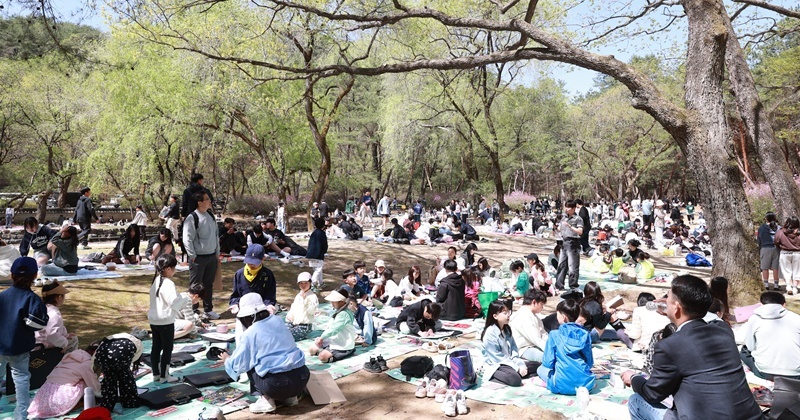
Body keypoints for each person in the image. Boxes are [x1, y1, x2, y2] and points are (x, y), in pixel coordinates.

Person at [621, 275, 763, 420]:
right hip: (751, 416)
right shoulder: (723, 329)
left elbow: (652, 393)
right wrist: (676, 311)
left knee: (636, 401)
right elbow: (703, 314)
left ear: (677, 307)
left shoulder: (668, 346)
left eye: (668, 299)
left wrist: (633, 378)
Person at [220, 293, 310, 414]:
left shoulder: (251, 332)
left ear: (249, 316)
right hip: (301, 379)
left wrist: (227, 360)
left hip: (277, 385)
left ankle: (266, 400)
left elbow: (239, 363)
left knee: (251, 363)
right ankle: (290, 398)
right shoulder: (278, 320)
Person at [0, 257, 48, 420]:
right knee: (20, 379)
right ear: (35, 275)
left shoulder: (2, 295)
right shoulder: (33, 299)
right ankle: (20, 415)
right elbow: (39, 324)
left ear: (12, 275)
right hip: (19, 346)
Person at [737, 291, 800, 380]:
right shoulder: (796, 318)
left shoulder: (754, 319)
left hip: (765, 372)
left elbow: (751, 347)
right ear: (784, 305)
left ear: (761, 304)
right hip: (796, 373)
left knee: (744, 351)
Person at [537, 299, 594, 395]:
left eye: (557, 314)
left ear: (563, 317)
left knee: (540, 369)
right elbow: (589, 362)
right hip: (585, 384)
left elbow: (547, 363)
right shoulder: (585, 334)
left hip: (561, 384)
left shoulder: (554, 334)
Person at [147, 254, 187, 384]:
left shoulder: (156, 280)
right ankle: (165, 376)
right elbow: (174, 302)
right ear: (168, 269)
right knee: (167, 348)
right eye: (174, 268)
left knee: (156, 347)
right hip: (165, 320)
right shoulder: (168, 283)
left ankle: (156, 374)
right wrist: (186, 299)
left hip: (154, 319)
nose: (175, 271)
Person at [26, 349, 100, 418]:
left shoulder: (67, 359)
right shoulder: (87, 363)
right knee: (84, 381)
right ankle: (76, 404)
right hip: (61, 395)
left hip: (45, 390)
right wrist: (101, 393)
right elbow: (92, 382)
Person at [481, 301, 540, 387]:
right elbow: (497, 357)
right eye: (505, 313)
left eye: (509, 312)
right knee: (515, 380)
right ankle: (496, 376)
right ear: (495, 316)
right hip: (497, 365)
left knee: (538, 366)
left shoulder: (507, 329)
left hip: (510, 362)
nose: (508, 315)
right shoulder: (490, 333)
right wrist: (516, 368)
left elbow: (514, 350)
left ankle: (518, 373)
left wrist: (520, 365)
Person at [183, 190, 220, 319]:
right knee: (195, 285)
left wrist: (217, 253)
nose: (209, 201)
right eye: (207, 199)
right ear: (200, 202)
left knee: (208, 284)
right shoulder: (192, 217)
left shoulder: (210, 216)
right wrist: (192, 255)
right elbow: (187, 238)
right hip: (198, 257)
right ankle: (193, 311)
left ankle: (208, 310)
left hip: (211, 256)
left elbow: (216, 236)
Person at [230, 244, 278, 341]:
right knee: (241, 338)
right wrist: (234, 304)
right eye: (249, 262)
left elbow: (270, 295)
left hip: (261, 312)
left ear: (263, 259)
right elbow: (235, 295)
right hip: (244, 313)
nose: (251, 265)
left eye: (254, 263)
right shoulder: (239, 274)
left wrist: (269, 305)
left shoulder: (267, 275)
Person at [89, 333, 143, 412]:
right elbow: (134, 358)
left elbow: (95, 359)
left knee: (109, 380)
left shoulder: (114, 338)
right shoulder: (137, 343)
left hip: (103, 354)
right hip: (123, 351)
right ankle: (130, 402)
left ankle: (107, 405)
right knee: (125, 378)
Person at [308, 290, 357, 363]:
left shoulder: (344, 314)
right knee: (312, 350)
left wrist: (322, 337)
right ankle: (327, 350)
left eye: (334, 301)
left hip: (342, 343)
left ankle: (346, 352)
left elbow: (334, 329)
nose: (332, 303)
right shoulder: (338, 310)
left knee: (322, 357)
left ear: (341, 302)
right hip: (333, 339)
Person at [580, 282, 633, 348]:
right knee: (611, 316)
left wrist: (603, 311)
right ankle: (624, 333)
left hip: (580, 334)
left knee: (607, 314)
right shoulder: (595, 305)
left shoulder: (581, 302)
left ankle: (623, 332)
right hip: (589, 336)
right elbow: (600, 325)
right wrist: (608, 313)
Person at [35, 280, 79, 352]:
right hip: (42, 346)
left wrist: (65, 335)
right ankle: (67, 360)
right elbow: (51, 334)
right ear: (59, 297)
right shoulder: (54, 313)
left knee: (70, 338)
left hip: (35, 342)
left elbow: (56, 329)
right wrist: (64, 343)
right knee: (73, 340)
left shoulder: (40, 308)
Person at [509, 289, 548, 362]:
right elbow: (536, 339)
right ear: (534, 302)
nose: (542, 307)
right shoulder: (523, 316)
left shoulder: (534, 316)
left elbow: (543, 334)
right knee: (547, 358)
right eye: (541, 304)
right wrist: (550, 349)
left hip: (534, 345)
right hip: (523, 349)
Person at [555, 200, 583, 293]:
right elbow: (559, 229)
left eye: (568, 207)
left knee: (572, 266)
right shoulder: (564, 218)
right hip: (563, 242)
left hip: (573, 242)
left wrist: (570, 226)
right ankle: (559, 285)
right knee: (561, 265)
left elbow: (580, 231)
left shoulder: (578, 219)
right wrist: (555, 226)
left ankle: (573, 285)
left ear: (574, 208)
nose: (566, 209)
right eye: (565, 207)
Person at [285, 272, 318, 341]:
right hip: (293, 323)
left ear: (310, 283)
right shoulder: (298, 295)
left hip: (304, 326)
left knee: (286, 337)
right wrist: (290, 315)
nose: (303, 285)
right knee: (277, 332)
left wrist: (305, 299)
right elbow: (293, 307)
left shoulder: (312, 296)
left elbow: (312, 311)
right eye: (301, 283)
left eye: (306, 283)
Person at [774, 216, 800, 296]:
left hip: (785, 253)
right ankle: (795, 288)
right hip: (797, 253)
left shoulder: (781, 231)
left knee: (786, 271)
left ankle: (788, 286)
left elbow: (776, 241)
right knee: (797, 271)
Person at [758, 212, 781, 291]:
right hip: (776, 248)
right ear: (774, 218)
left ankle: (766, 284)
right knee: (776, 268)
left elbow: (759, 239)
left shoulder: (761, 228)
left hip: (765, 248)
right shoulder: (778, 228)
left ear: (766, 218)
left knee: (765, 267)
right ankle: (776, 285)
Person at [306, 217, 328, 288]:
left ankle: (320, 283)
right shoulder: (322, 234)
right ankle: (312, 284)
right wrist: (324, 251)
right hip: (318, 255)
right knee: (318, 270)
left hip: (310, 254)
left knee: (317, 270)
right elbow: (324, 244)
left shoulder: (314, 233)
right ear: (323, 225)